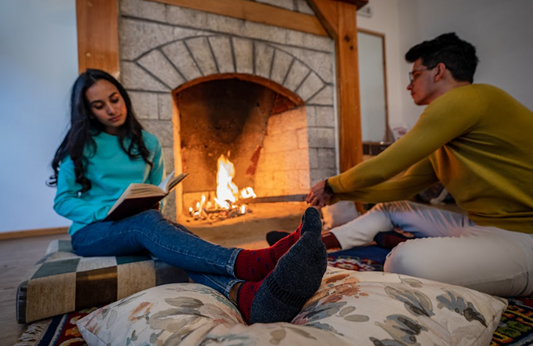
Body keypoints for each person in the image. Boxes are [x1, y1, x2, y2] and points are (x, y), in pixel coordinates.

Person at [48, 68, 327, 325]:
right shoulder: (81, 146)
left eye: (115, 99)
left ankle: (247, 297)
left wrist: (153, 203)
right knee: (147, 223)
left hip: (137, 226)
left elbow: (153, 190)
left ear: (123, 97)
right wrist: (105, 210)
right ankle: (247, 261)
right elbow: (63, 200)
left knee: (173, 241)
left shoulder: (147, 143)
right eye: (99, 106)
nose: (111, 109)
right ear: (88, 112)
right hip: (92, 233)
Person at [306, 32, 533, 297]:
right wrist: (337, 194)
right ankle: (312, 245)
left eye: (414, 75)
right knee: (391, 209)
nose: (409, 85)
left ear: (439, 71)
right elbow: (401, 187)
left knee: (403, 261)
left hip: (522, 238)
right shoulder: (451, 128)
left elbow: (384, 166)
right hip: (481, 225)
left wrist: (332, 184)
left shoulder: (471, 99)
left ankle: (400, 243)